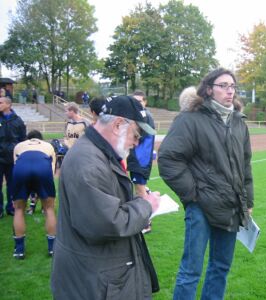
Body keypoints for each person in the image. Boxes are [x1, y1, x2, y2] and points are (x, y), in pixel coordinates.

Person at [51, 95, 160, 299]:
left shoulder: (97, 153)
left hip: (98, 276)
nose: (136, 144)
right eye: (136, 136)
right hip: (94, 282)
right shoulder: (89, 162)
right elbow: (107, 223)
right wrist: (146, 206)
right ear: (118, 125)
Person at [158, 68, 254, 300]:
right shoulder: (190, 119)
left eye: (232, 86)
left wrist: (248, 201)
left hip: (231, 207)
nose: (229, 90)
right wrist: (193, 195)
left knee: (220, 268)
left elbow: (245, 165)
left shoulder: (239, 121)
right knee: (190, 272)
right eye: (223, 85)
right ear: (209, 89)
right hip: (201, 207)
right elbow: (168, 159)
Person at [11, 130, 57, 259]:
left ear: (27, 138)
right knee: (49, 208)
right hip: (43, 168)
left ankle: (19, 250)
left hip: (21, 168)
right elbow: (51, 170)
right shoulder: (48, 146)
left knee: (19, 209)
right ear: (41, 139)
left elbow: (16, 165)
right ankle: (52, 248)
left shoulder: (19, 146)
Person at [126, 90, 156, 234]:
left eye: (139, 101)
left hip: (140, 161)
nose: (136, 104)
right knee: (140, 189)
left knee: (140, 191)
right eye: (134, 101)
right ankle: (149, 193)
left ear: (145, 102)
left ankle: (146, 223)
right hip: (137, 160)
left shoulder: (145, 117)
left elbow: (141, 142)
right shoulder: (139, 116)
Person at [0, 95, 27, 218]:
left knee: (12, 185)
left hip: (13, 159)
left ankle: (11, 208)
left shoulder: (18, 121)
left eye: (1, 102)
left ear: (8, 105)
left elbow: (22, 139)